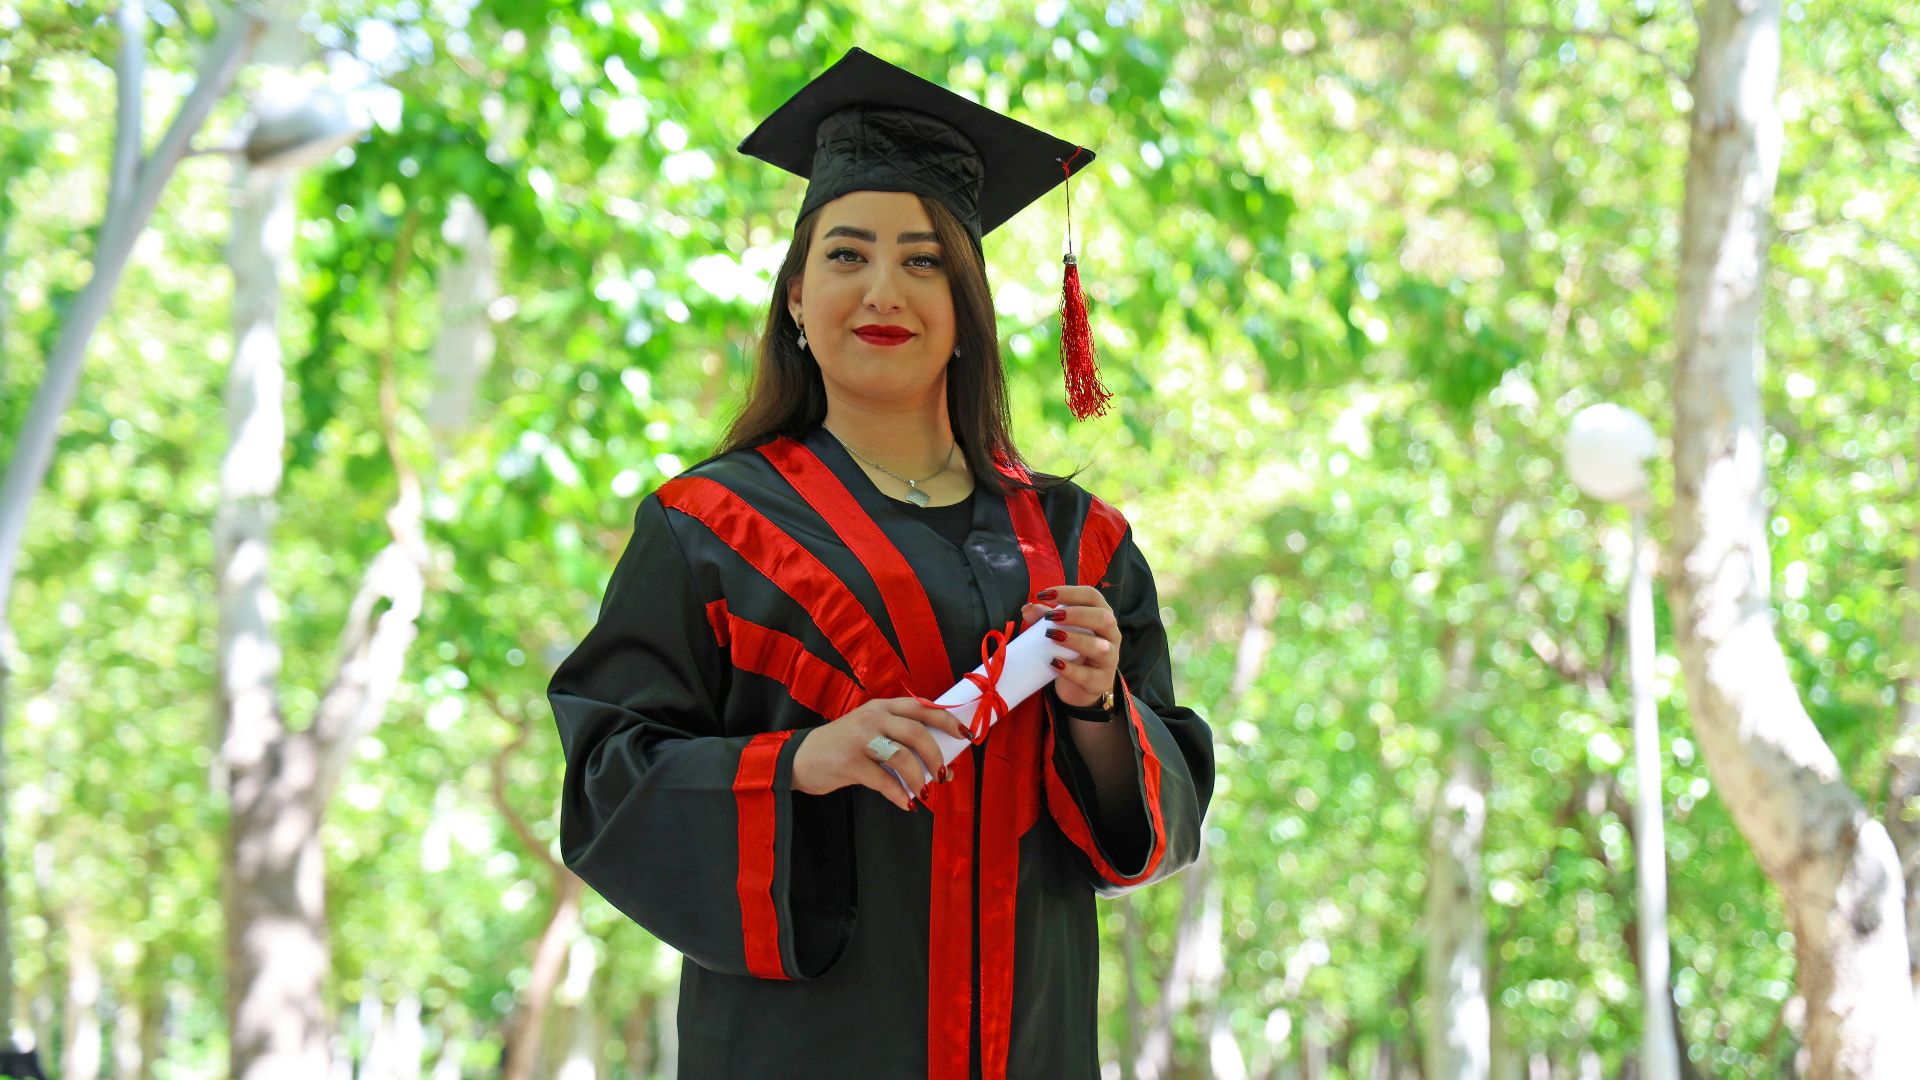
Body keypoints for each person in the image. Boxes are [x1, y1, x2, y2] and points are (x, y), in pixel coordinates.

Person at [549, 48, 1213, 1080]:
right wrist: (798, 764)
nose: (883, 290)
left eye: (924, 259)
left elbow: (1158, 815)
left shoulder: (1083, 543)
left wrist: (1096, 708)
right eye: (847, 256)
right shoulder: (709, 527)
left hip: (1031, 1046)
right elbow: (604, 783)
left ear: (966, 309)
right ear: (797, 306)